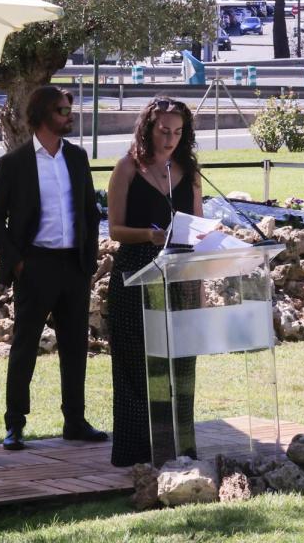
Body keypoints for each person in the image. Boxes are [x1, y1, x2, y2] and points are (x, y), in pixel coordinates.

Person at [0, 85, 108, 450]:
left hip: (74, 266)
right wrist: (17, 262)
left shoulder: (77, 157)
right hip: (35, 265)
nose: (70, 116)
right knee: (25, 347)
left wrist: (89, 258)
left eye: (69, 109)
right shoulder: (15, 163)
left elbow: (89, 212)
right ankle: (15, 424)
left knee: (75, 346)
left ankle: (75, 421)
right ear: (41, 115)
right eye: (62, 111)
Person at [106, 96, 202, 467]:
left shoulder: (190, 170)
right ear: (148, 129)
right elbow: (115, 229)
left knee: (180, 366)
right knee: (137, 365)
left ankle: (179, 449)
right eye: (163, 131)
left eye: (177, 132)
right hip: (136, 274)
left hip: (180, 275)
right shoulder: (127, 168)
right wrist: (149, 235)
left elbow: (197, 227)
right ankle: (135, 453)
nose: (170, 139)